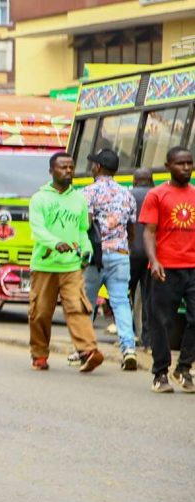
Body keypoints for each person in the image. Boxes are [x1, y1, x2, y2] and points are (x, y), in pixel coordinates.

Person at [27, 152, 101, 373]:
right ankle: (39, 354)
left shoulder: (79, 198)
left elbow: (82, 231)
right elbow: (37, 229)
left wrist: (86, 251)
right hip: (44, 265)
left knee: (78, 307)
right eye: (63, 168)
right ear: (52, 171)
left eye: (71, 167)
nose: (68, 171)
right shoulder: (39, 198)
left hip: (71, 266)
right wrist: (54, 242)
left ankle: (88, 351)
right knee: (40, 312)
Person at [140, 147, 195, 394]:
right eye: (180, 163)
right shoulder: (156, 195)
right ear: (167, 166)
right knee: (161, 322)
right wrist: (155, 261)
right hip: (166, 268)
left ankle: (183, 368)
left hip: (192, 268)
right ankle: (160, 372)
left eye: (189, 163)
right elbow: (149, 232)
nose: (186, 168)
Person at [81, 148, 138, 371]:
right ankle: (129, 349)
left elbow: (85, 225)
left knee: (87, 302)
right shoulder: (127, 194)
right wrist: (126, 248)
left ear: (98, 167)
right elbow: (130, 228)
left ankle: (85, 348)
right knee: (121, 302)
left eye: (93, 164)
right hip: (121, 254)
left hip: (97, 256)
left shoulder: (89, 192)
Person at [128, 168, 156, 350]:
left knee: (123, 297)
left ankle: (129, 336)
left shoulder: (128, 195)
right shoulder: (157, 195)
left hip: (130, 254)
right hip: (151, 254)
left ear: (135, 180)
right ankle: (148, 340)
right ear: (151, 180)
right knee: (148, 298)